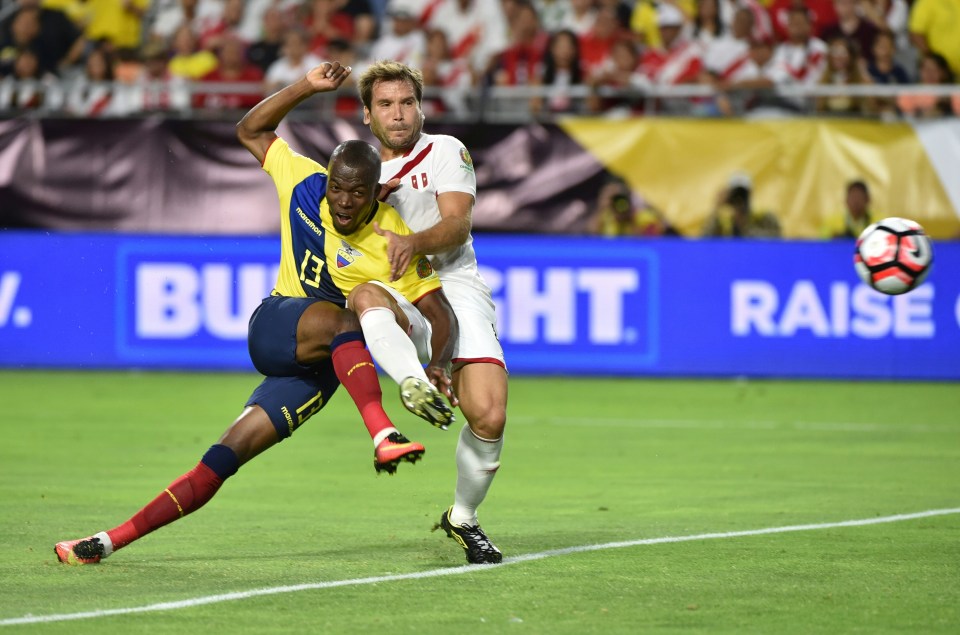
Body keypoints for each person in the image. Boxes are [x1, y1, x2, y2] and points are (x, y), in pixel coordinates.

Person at [53, 61, 459, 566]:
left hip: (325, 367)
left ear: (378, 191)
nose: (343, 201)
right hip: (277, 324)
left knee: (224, 458)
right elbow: (250, 128)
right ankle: (381, 432)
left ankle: (107, 541)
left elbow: (440, 314)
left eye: (357, 192)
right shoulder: (303, 182)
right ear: (327, 177)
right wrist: (307, 86)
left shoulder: (391, 236)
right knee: (347, 317)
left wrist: (439, 363)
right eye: (337, 187)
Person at [355, 60, 508, 565]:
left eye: (406, 103)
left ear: (420, 107)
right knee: (365, 297)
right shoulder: (356, 173)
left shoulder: (444, 150)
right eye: (385, 105)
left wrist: (412, 241)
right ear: (366, 115)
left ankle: (463, 516)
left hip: (454, 283)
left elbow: (458, 224)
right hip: (396, 289)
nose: (398, 114)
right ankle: (413, 380)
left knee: (488, 414)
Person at [702, 172, 781, 238]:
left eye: (743, 193)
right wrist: (717, 207)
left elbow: (775, 242)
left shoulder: (764, 217)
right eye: (735, 193)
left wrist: (744, 225)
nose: (739, 197)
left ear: (750, 193)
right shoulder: (722, 222)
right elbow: (705, 243)